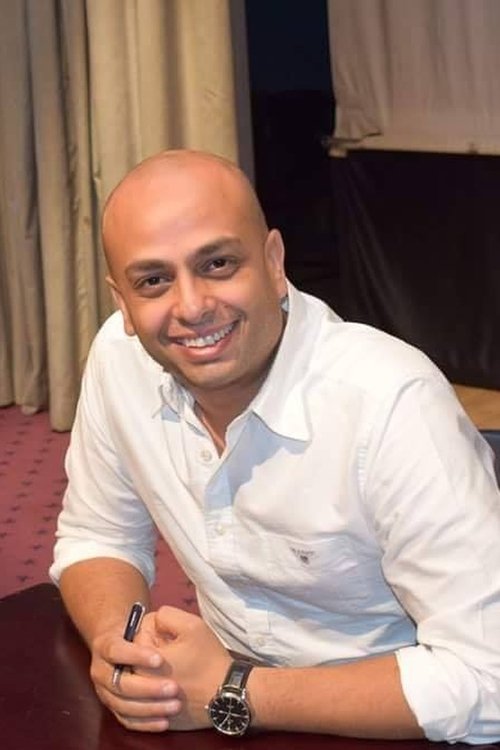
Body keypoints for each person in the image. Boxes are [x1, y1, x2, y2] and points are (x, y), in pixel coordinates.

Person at [50, 149, 500, 743]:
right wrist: (120, 644)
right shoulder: (120, 358)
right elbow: (98, 536)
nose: (191, 307)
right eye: (153, 280)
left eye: (217, 263)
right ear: (123, 303)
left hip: (402, 721)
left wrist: (234, 690)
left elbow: (489, 677)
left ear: (274, 261)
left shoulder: (392, 403)